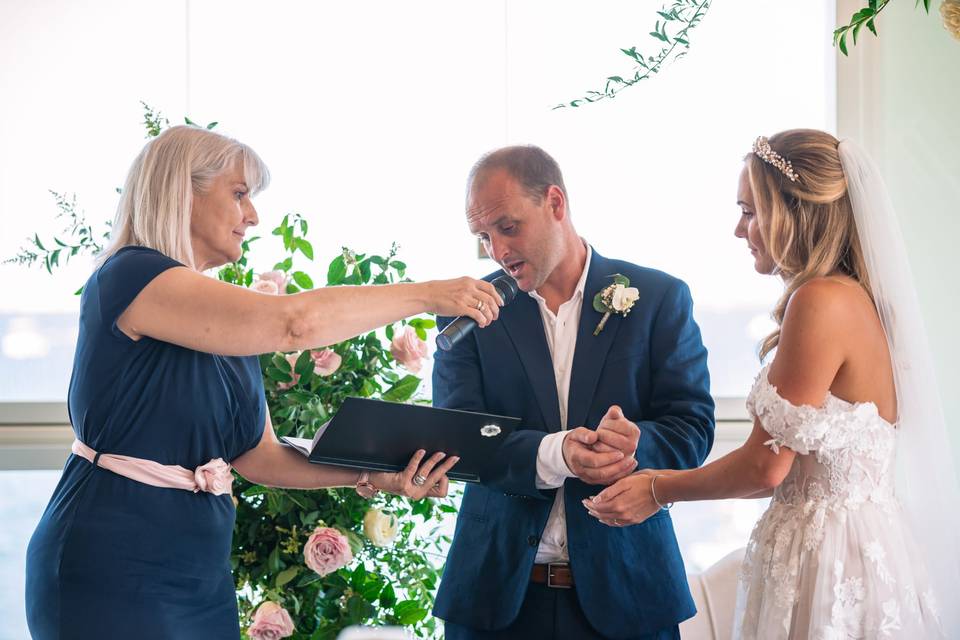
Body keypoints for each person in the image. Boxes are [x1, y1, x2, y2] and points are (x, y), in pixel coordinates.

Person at [24, 125, 505, 639]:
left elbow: (258, 456)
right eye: (239, 194)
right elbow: (294, 323)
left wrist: (374, 476)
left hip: (199, 573)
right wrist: (427, 294)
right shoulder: (130, 276)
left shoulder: (223, 321)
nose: (253, 216)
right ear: (182, 193)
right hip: (110, 562)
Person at [584, 129, 960, 638]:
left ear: (794, 212)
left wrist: (657, 488)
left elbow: (767, 466)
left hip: (828, 562)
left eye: (750, 211)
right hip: (857, 546)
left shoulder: (821, 301)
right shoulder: (862, 302)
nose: (740, 230)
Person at [431, 145, 715, 639]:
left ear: (555, 203)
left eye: (507, 226)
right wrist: (557, 453)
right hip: (495, 599)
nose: (497, 251)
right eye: (483, 237)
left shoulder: (660, 299)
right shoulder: (466, 313)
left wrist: (634, 446)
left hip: (629, 593)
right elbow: (461, 442)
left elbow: (692, 428)